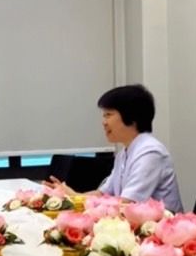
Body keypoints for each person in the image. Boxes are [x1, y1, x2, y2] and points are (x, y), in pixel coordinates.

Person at [48, 84, 182, 210]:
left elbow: (126, 204)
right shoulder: (124, 153)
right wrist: (70, 196)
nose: (104, 122)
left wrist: (76, 198)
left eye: (108, 115)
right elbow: (102, 194)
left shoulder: (151, 153)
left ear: (132, 117)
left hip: (162, 225)